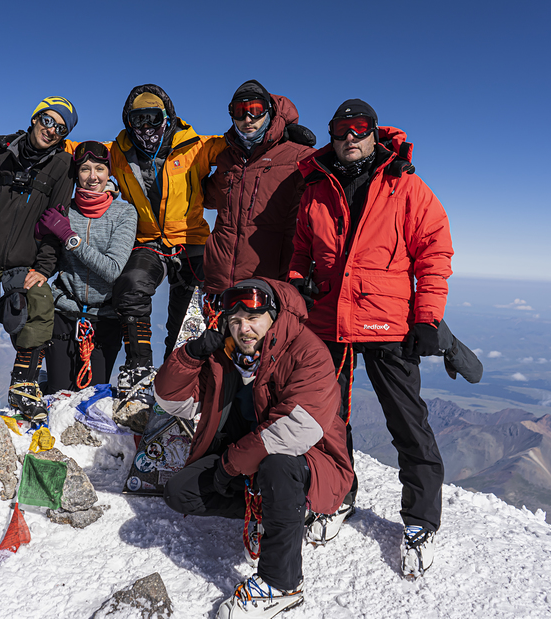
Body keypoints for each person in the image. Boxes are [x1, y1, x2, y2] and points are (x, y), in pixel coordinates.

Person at [288, 99, 453, 577]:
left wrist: (428, 317)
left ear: (375, 133)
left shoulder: (405, 184)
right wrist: (300, 281)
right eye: (341, 129)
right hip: (326, 321)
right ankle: (336, 498)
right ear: (333, 134)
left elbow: (434, 252)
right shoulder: (316, 186)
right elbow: (302, 247)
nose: (350, 136)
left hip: (389, 321)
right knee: (327, 418)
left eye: (360, 128)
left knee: (407, 421)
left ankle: (421, 520)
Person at [155, 279, 352, 617]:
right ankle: (278, 513)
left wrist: (228, 465)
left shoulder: (308, 351)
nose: (243, 328)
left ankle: (281, 584)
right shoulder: (224, 356)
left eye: (253, 318)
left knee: (278, 465)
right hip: (248, 461)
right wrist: (190, 355)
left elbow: (296, 427)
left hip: (311, 462)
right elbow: (170, 401)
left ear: (273, 317)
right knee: (180, 492)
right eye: (235, 320)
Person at [0, 96, 77, 420]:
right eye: (48, 120)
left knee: (39, 302)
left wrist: (44, 267)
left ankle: (23, 386)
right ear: (36, 118)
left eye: (60, 128)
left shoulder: (63, 167)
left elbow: (57, 220)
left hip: (25, 261)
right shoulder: (0, 157)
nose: (52, 130)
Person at [107, 84, 226, 390]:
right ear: (128, 122)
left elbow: (238, 143)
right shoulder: (118, 151)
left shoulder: (196, 146)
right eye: (138, 119)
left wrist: (284, 137)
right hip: (148, 241)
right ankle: (138, 367)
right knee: (130, 287)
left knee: (188, 317)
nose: (146, 127)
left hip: (191, 240)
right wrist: (23, 143)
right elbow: (80, 151)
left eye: (152, 117)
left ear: (167, 116)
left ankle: (181, 376)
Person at [39, 141, 137, 392]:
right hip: (63, 313)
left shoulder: (124, 213)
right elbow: (50, 259)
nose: (92, 177)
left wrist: (70, 239)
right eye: (85, 169)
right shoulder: (66, 210)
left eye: (100, 169)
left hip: (104, 320)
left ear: (109, 173)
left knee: (89, 400)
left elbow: (112, 269)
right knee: (59, 395)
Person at [202, 80, 315, 295]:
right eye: (240, 111)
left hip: (269, 280)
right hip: (219, 280)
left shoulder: (298, 157)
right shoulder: (227, 158)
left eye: (256, 110)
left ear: (270, 111)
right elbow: (208, 198)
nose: (247, 119)